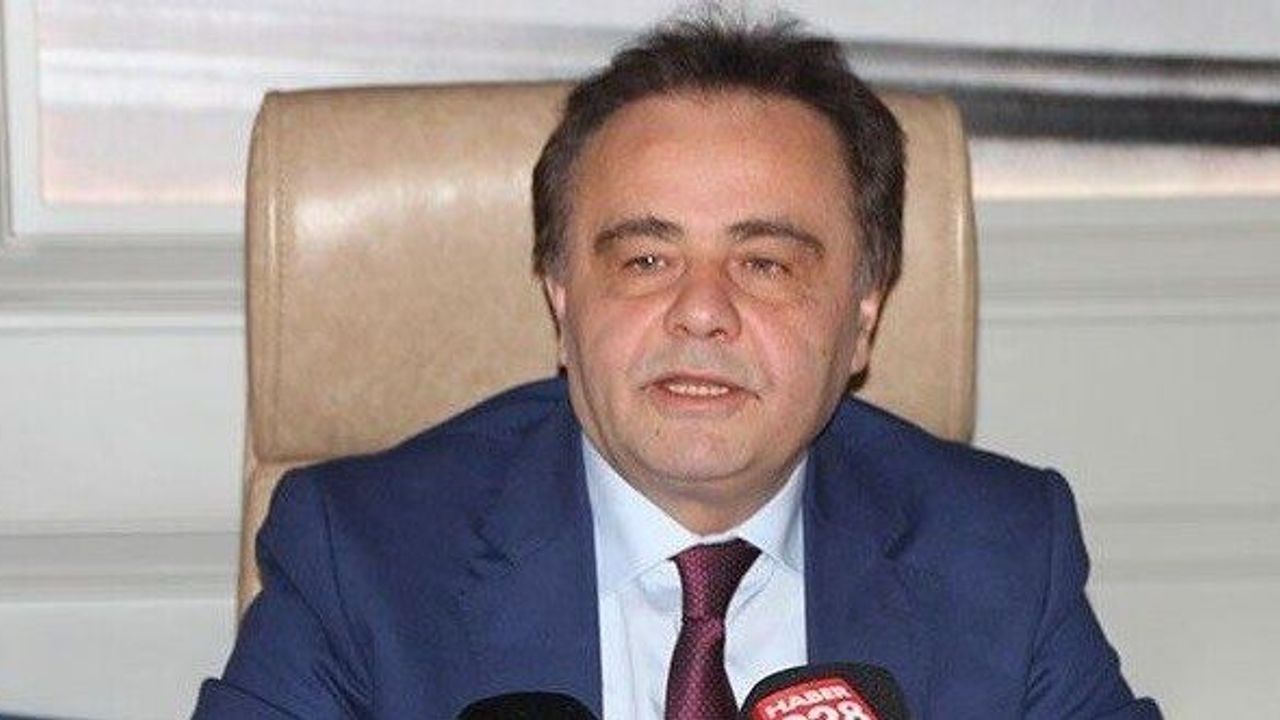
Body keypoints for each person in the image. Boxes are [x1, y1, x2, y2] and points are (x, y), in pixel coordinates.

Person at [194, 12, 1160, 720]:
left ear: (863, 318)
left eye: (766, 263)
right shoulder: (364, 557)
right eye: (646, 260)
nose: (701, 311)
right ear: (562, 300)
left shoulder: (999, 554)